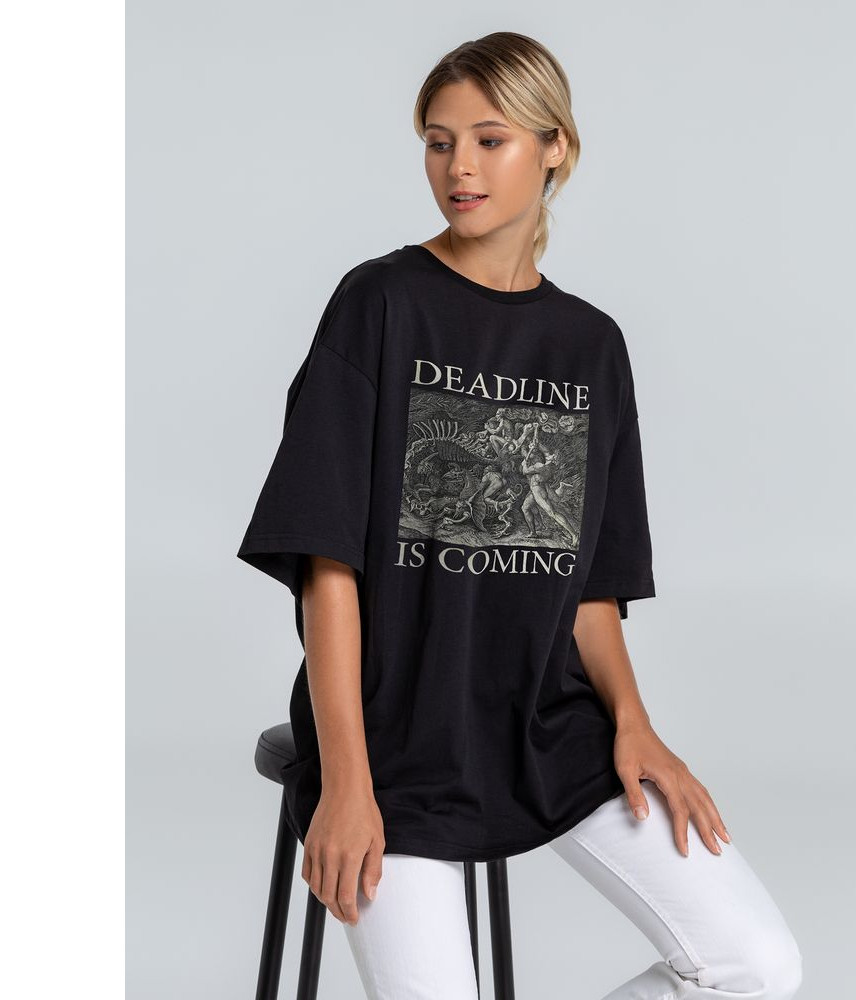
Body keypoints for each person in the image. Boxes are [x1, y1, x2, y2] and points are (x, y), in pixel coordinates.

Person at [237, 30, 803, 1000]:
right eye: (438, 140)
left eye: (489, 139)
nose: (458, 166)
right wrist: (347, 781)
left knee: (756, 962)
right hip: (397, 743)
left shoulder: (591, 346)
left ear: (554, 148)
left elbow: (591, 590)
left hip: (550, 733)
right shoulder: (379, 304)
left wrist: (635, 723)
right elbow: (327, 566)